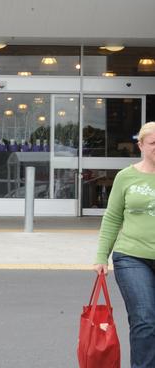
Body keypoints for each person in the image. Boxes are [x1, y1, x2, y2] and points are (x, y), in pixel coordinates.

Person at [94, 121, 155, 368]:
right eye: (153, 143)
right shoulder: (126, 176)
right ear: (140, 145)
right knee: (145, 320)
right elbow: (112, 217)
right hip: (131, 256)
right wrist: (101, 256)